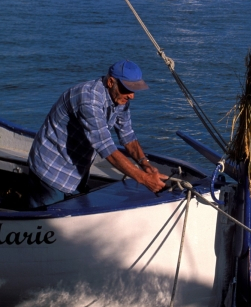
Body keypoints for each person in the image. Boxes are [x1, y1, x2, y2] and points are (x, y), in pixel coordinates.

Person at [27, 60, 167, 207]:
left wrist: (145, 164)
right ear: (111, 82)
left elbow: (127, 135)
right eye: (127, 89)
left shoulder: (119, 99)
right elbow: (106, 147)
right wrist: (144, 179)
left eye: (134, 90)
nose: (131, 96)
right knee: (46, 222)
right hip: (50, 170)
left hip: (76, 172)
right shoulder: (89, 99)